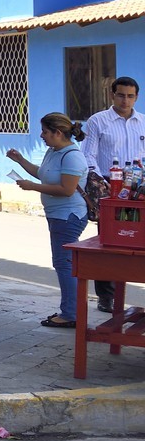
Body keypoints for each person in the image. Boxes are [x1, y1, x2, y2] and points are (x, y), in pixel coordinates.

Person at [7, 114, 90, 328]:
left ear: (58, 133)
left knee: (64, 263)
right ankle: (71, 310)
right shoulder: (53, 151)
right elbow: (43, 173)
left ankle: (71, 313)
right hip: (57, 215)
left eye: (45, 131)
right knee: (63, 262)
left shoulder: (72, 156)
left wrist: (32, 187)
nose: (42, 136)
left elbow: (67, 189)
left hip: (68, 215)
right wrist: (21, 161)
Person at [79, 76, 140, 313]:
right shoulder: (98, 121)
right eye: (121, 95)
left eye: (130, 96)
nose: (125, 100)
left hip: (137, 193)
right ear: (112, 95)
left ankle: (126, 290)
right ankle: (106, 297)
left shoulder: (142, 122)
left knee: (133, 241)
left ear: (136, 97)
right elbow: (88, 155)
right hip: (109, 190)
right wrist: (99, 182)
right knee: (108, 242)